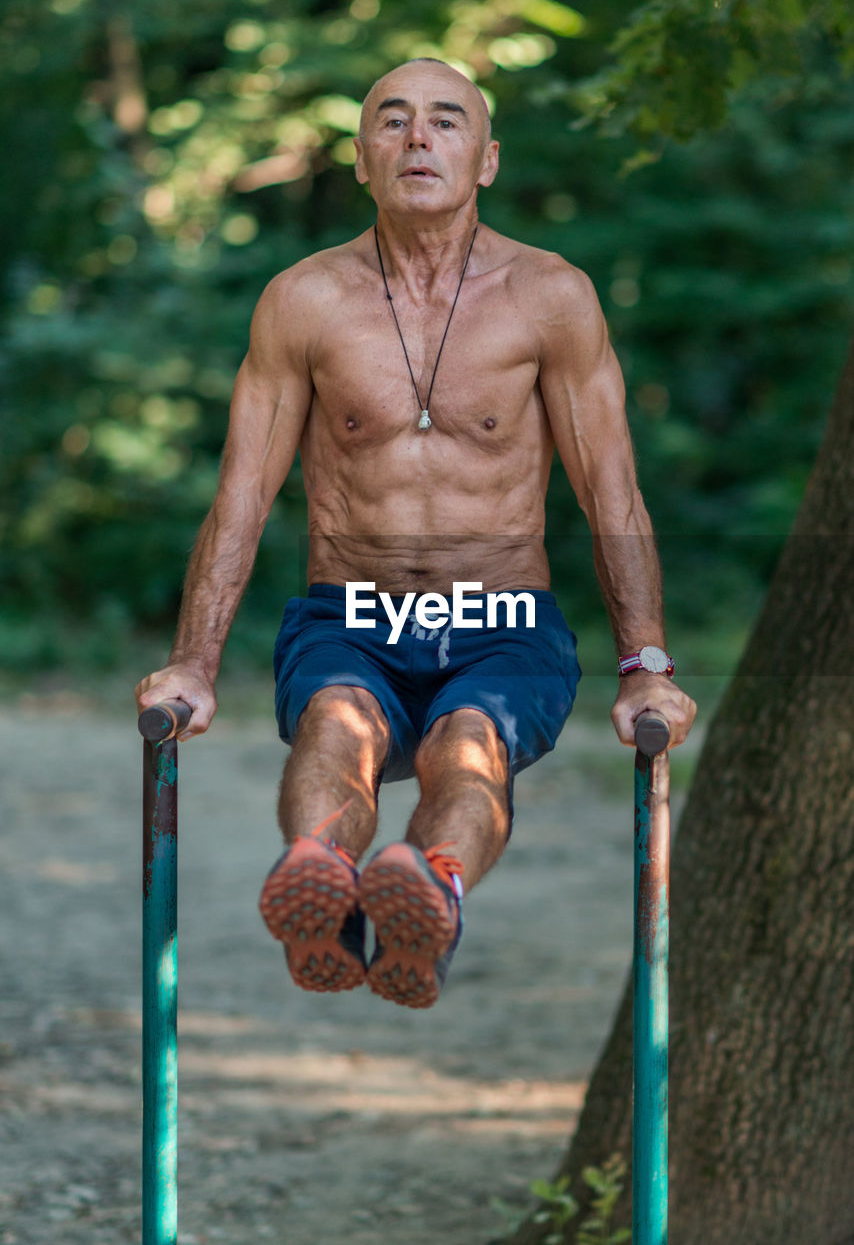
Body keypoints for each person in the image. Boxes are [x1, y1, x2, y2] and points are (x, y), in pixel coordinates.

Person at [135, 58, 696, 1010]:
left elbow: (613, 495)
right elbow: (241, 494)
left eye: (445, 121)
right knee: (333, 726)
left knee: (466, 742)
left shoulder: (550, 297)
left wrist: (646, 664)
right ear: (361, 160)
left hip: (506, 618)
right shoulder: (304, 301)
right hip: (348, 613)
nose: (418, 138)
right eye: (391, 122)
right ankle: (320, 888)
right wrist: (194, 661)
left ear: (486, 159)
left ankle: (425, 894)